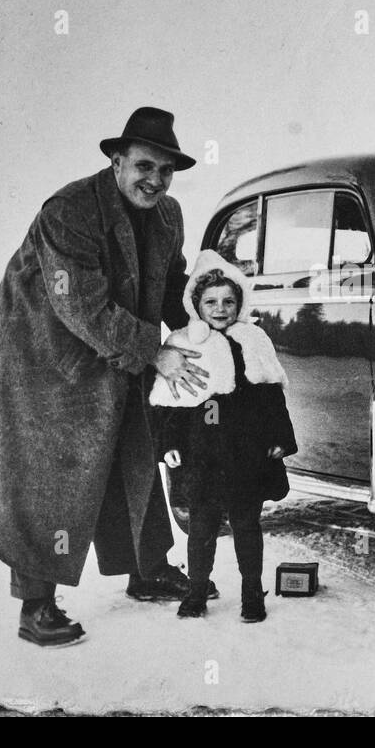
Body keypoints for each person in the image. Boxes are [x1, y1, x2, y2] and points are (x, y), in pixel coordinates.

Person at [0, 106, 214, 647]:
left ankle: (147, 570)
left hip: (116, 345)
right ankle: (36, 606)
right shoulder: (70, 209)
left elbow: (171, 285)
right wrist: (154, 351)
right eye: (144, 166)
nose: (155, 181)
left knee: (132, 447)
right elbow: (81, 308)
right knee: (48, 472)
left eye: (166, 172)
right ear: (117, 162)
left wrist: (209, 318)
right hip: (43, 355)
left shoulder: (168, 215)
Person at [149, 250, 298, 623]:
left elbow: (272, 396)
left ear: (240, 304)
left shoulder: (254, 339)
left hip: (247, 454)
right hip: (201, 456)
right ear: (195, 304)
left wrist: (279, 438)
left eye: (229, 301)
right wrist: (168, 445)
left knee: (247, 524)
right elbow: (171, 404)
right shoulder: (185, 342)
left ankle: (252, 592)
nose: (220, 308)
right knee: (201, 528)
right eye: (210, 301)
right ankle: (197, 590)